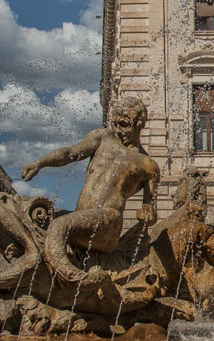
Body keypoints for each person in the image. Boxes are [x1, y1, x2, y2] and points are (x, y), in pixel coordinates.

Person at [21, 97, 160, 284]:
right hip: (83, 217)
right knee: (30, 216)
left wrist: (147, 212)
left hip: (107, 222)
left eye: (124, 125)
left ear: (139, 124)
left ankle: (76, 280)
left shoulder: (148, 165)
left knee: (59, 226)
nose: (119, 130)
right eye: (116, 124)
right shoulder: (102, 137)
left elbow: (150, 211)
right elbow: (70, 153)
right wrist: (40, 163)